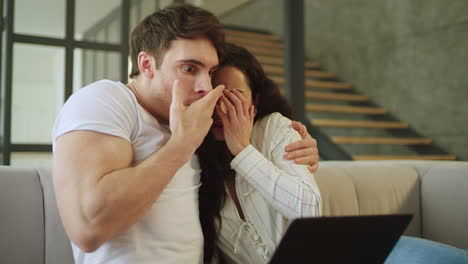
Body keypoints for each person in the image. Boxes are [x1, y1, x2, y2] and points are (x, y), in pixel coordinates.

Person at [52, 4, 319, 264]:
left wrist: (296, 147)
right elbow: (90, 227)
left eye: (211, 72)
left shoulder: (194, 125)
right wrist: (181, 146)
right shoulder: (106, 99)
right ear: (146, 64)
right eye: (189, 68)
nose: (206, 87)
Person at [197, 43, 468, 264]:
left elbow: (307, 210)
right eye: (214, 98)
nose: (223, 111)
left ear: (254, 102)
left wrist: (243, 151)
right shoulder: (194, 165)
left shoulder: (274, 129)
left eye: (233, 98)